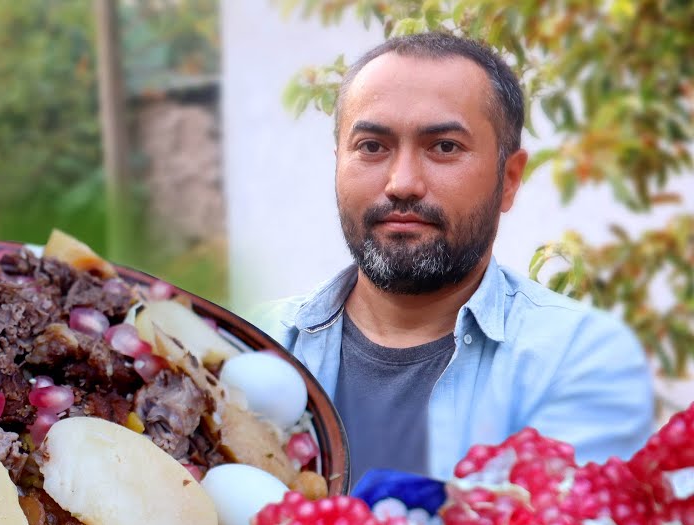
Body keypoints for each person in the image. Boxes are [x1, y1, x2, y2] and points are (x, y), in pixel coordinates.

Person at [253, 32, 654, 484]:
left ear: (509, 179)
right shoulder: (249, 341)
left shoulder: (578, 360)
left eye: (444, 146)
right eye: (371, 146)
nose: (402, 183)